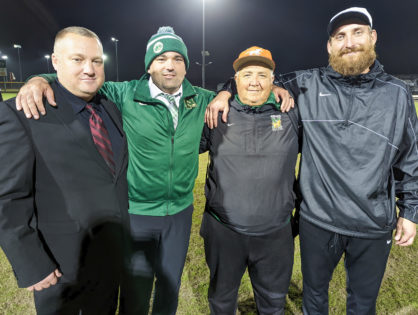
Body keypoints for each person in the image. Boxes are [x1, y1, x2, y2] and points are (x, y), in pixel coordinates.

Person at [16, 26, 293, 315]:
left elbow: (247, 92)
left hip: (180, 212)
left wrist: (269, 88)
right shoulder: (122, 93)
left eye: (177, 58)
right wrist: (39, 79)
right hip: (137, 211)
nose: (169, 65)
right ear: (149, 65)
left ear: (186, 65)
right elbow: (77, 83)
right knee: (135, 290)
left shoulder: (202, 99)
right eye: (161, 59)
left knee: (169, 288)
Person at [209, 7, 418, 315]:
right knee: (314, 299)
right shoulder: (307, 83)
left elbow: (409, 156)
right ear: (330, 45)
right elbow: (255, 80)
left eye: (357, 33)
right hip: (317, 220)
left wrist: (411, 210)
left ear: (372, 37)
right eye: (340, 37)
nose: (349, 43)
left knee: (362, 305)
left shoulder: (397, 92)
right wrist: (224, 93)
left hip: (373, 223)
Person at [0, 26, 129, 314]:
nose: (90, 69)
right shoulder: (23, 114)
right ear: (55, 62)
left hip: (109, 260)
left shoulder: (109, 107)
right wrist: (32, 264)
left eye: (97, 61)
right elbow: (7, 199)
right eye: (77, 59)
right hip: (59, 269)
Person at [199, 46, 301, 315]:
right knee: (222, 301)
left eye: (262, 75)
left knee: (272, 304)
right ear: (236, 79)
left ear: (273, 79)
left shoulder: (291, 112)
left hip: (275, 233)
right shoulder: (215, 112)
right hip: (224, 230)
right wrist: (223, 91)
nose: (254, 81)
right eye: (247, 74)